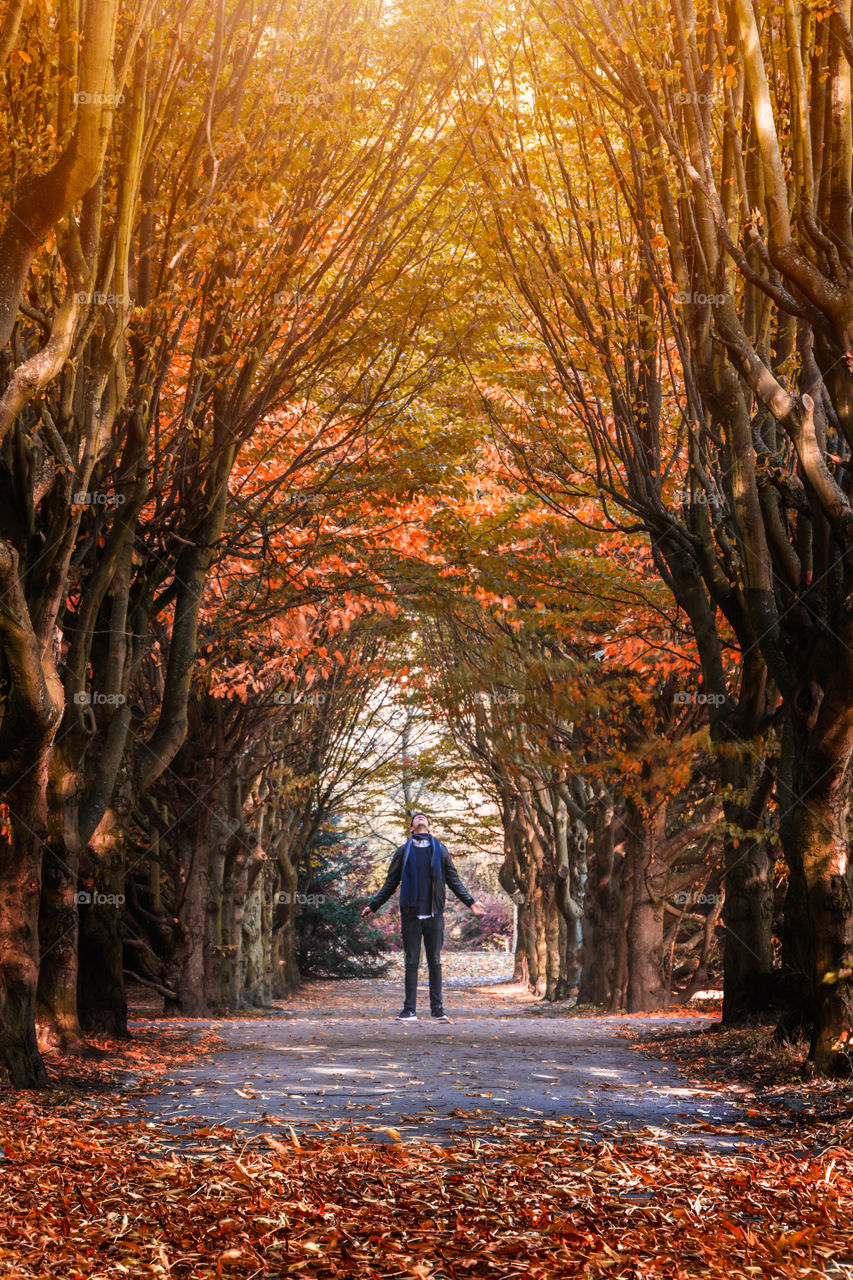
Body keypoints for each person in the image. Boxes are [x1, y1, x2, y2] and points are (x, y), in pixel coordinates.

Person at [361, 812, 485, 1022]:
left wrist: (471, 902)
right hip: (410, 913)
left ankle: (437, 1010)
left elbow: (454, 881)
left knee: (434, 961)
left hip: (434, 914)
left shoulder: (441, 850)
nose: (420, 818)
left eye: (423, 817)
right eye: (416, 818)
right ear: (412, 828)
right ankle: (409, 1010)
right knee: (411, 962)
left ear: (429, 826)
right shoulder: (403, 851)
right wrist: (374, 905)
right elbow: (390, 883)